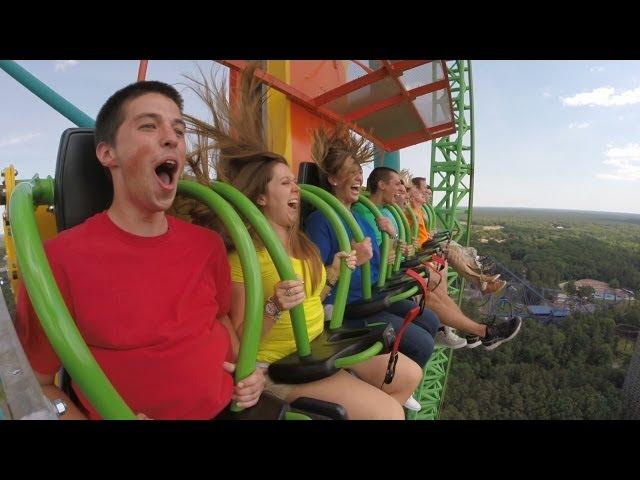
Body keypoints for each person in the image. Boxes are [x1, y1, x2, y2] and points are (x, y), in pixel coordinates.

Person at [185, 63, 423, 419]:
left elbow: (318, 299)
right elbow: (240, 339)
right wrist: (274, 307)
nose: (296, 188)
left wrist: (335, 273)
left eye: (294, 183)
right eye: (284, 183)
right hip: (277, 362)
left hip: (316, 342)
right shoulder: (244, 258)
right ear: (261, 197)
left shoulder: (302, 247)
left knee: (410, 373)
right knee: (389, 414)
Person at [16, 80, 265, 420]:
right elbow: (41, 386)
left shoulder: (207, 245)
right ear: (107, 153)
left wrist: (247, 371)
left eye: (178, 130)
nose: (172, 138)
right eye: (149, 125)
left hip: (230, 411)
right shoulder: (57, 260)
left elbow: (218, 319)